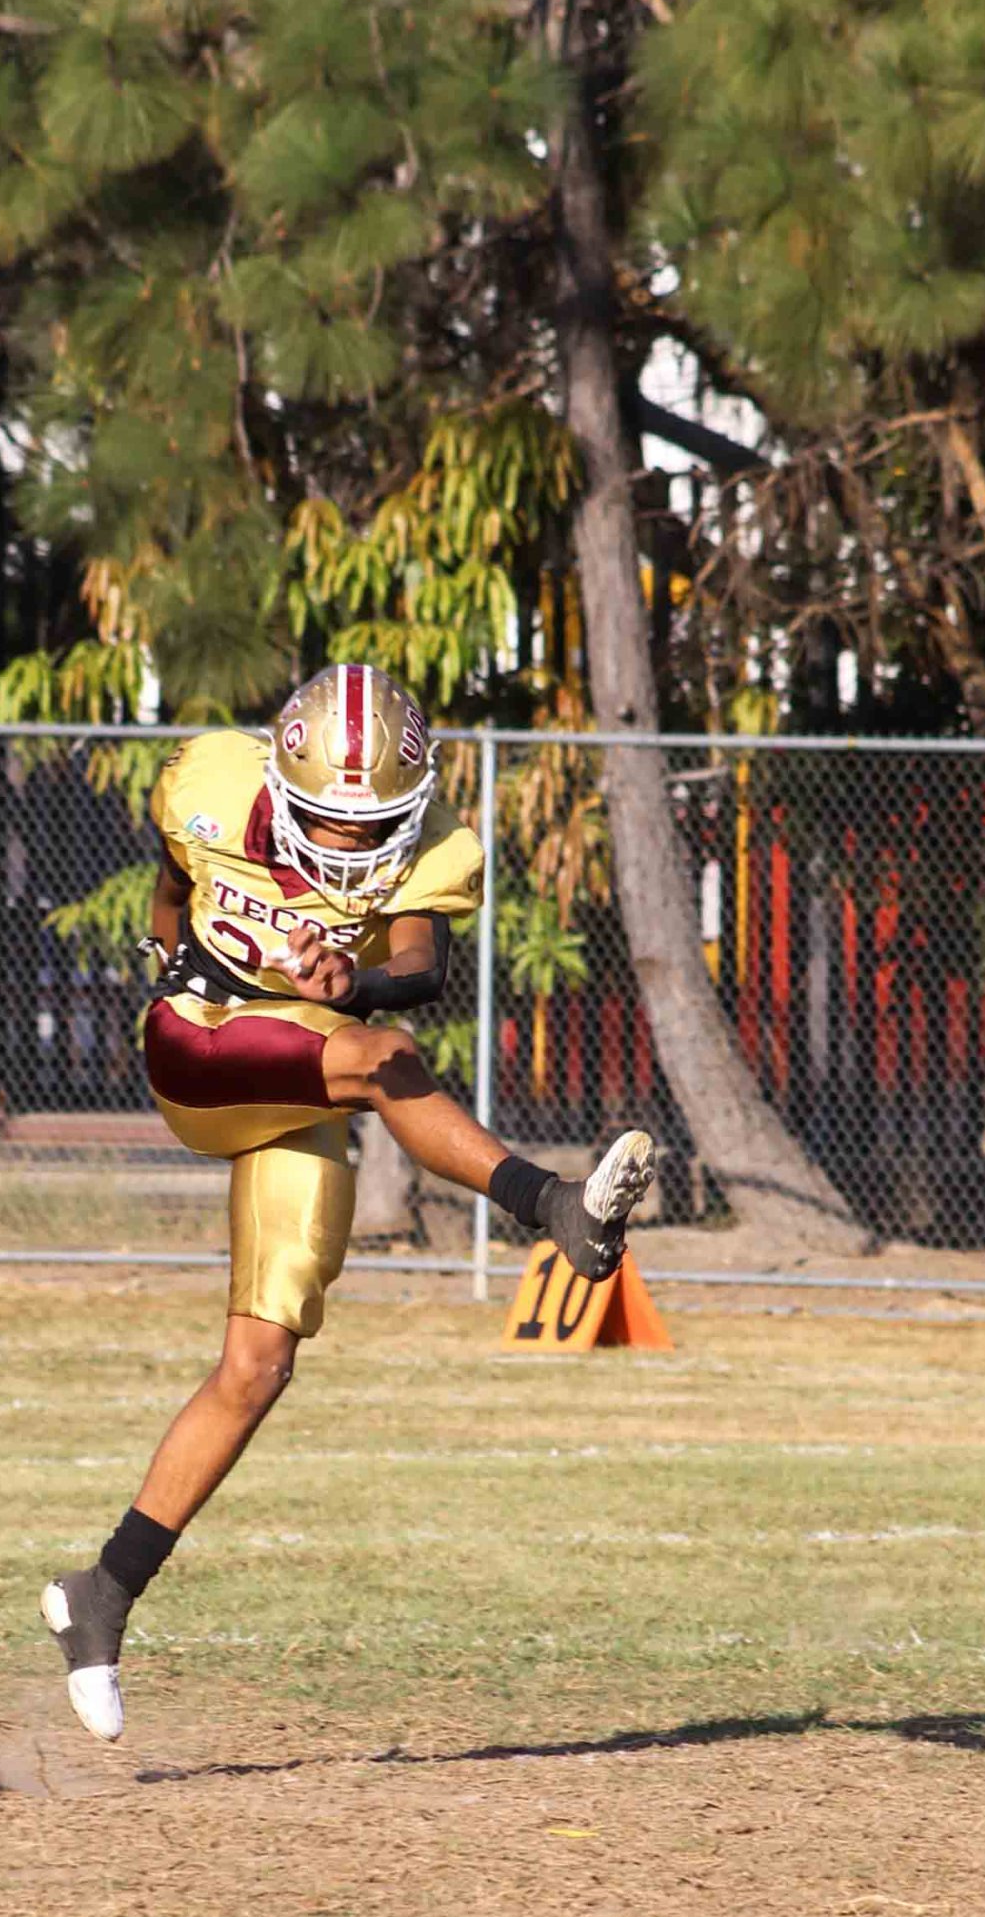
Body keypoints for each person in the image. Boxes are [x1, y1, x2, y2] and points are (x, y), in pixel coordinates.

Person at [42, 663, 657, 1740]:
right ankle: (557, 1207)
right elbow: (173, 870)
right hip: (198, 1039)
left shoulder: (433, 848)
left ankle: (101, 1592)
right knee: (383, 1059)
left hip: (308, 1068)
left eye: (374, 823)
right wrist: (164, 946)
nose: (349, 842)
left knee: (258, 1366)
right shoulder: (213, 779)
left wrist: (354, 983)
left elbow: (419, 963)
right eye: (329, 818)